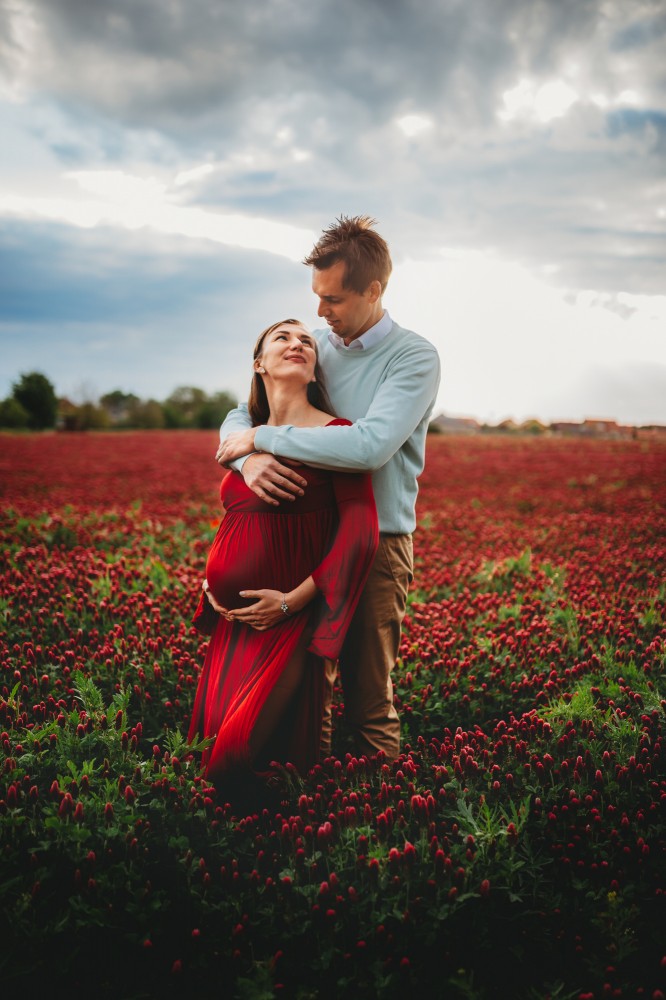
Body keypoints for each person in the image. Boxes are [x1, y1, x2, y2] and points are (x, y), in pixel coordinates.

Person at [216, 216, 441, 762]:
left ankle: (384, 826)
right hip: (307, 538)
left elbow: (367, 447)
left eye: (334, 299)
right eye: (316, 297)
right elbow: (239, 413)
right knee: (303, 694)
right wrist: (245, 464)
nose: (319, 313)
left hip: (377, 541)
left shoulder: (413, 357)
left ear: (374, 290)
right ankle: (304, 810)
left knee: (367, 701)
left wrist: (263, 439)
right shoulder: (315, 344)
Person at [188, 318, 378, 789]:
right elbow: (238, 518)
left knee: (237, 757)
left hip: (289, 620)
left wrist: (293, 600)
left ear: (315, 371)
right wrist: (212, 582)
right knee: (207, 751)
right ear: (259, 365)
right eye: (283, 337)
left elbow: (360, 534)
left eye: (307, 341)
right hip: (234, 624)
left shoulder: (338, 434)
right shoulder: (244, 439)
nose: (297, 344)